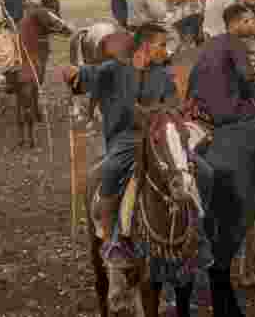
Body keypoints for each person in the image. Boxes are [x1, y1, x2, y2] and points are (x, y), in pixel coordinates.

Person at [62, 23, 178, 250]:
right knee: (111, 168)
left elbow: (173, 102)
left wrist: (165, 112)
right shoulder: (113, 70)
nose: (166, 51)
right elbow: (82, 77)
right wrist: (72, 74)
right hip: (126, 138)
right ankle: (110, 238)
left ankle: (197, 234)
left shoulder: (161, 74)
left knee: (199, 169)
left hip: (158, 136)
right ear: (145, 46)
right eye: (162, 45)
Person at [189, 3, 255, 126]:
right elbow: (248, 77)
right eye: (246, 21)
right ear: (234, 24)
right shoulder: (236, 43)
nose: (251, 25)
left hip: (201, 107)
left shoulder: (212, 41)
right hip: (226, 111)